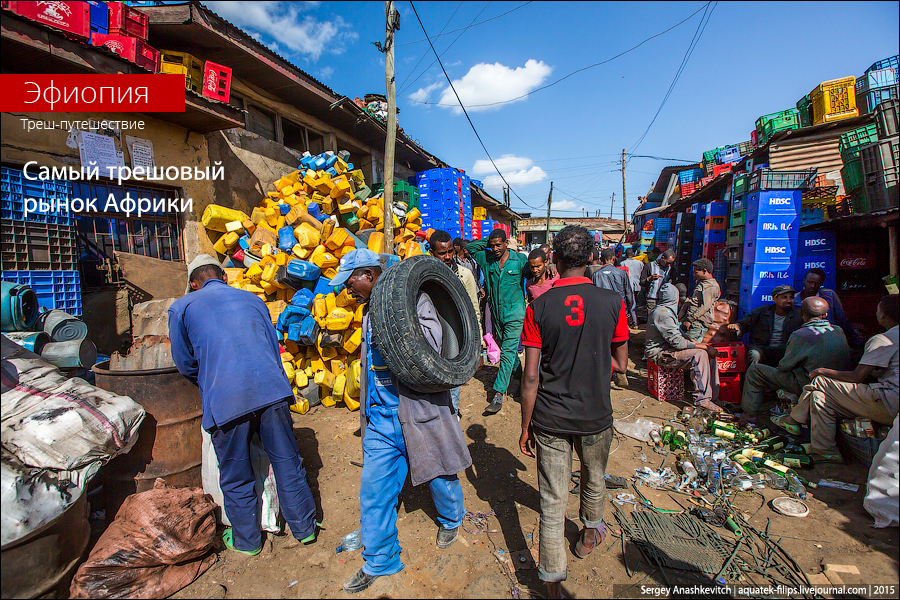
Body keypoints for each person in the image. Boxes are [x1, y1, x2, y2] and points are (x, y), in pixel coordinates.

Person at [330, 249, 471, 593]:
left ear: (368, 275)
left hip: (417, 408)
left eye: (351, 282)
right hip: (380, 414)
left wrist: (399, 332)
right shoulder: (366, 311)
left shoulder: (416, 300)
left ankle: (452, 518)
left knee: (439, 472)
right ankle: (381, 557)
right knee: (374, 488)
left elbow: (433, 344)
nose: (348, 290)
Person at [168, 255, 318, 556]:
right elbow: (271, 346)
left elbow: (184, 363)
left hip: (226, 399)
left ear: (193, 284)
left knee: (236, 474)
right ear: (224, 278)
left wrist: (213, 379)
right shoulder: (253, 300)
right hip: (271, 390)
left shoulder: (181, 307)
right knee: (287, 461)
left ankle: (247, 542)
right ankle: (305, 529)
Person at [519, 226, 629, 600]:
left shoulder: (538, 307)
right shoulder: (613, 301)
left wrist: (525, 425)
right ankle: (587, 537)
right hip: (596, 413)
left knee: (552, 499)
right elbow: (623, 362)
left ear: (555, 260)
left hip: (550, 416)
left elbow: (530, 376)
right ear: (591, 258)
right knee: (594, 477)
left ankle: (552, 581)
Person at [771, 295, 898, 464]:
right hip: (890, 402)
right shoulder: (839, 331)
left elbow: (857, 376)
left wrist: (823, 370)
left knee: (820, 381)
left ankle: (792, 420)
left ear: (882, 315)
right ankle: (825, 452)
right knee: (819, 397)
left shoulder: (882, 340)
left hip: (889, 401)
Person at [740, 297, 852, 425]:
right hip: (837, 383)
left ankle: (749, 415)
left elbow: (784, 366)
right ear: (825, 315)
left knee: (755, 371)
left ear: (801, 314)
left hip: (809, 382)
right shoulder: (838, 331)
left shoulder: (801, 335)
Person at [468, 229, 530, 415]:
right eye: (492, 245)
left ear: (506, 244)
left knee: (508, 351)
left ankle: (498, 393)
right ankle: (522, 378)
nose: (495, 248)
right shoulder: (487, 259)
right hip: (497, 315)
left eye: (498, 245)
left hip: (515, 314)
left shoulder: (519, 260)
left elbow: (536, 269)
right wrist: (488, 240)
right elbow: (470, 247)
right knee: (507, 351)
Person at [645, 283, 722, 413]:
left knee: (706, 352)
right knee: (699, 355)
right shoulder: (662, 313)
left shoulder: (666, 310)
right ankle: (702, 399)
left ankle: (712, 394)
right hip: (660, 354)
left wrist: (700, 345)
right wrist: (703, 346)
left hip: (669, 350)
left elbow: (680, 334)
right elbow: (678, 343)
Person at [431, 230, 482, 417]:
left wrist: (478, 348)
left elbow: (474, 310)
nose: (448, 257)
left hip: (456, 336)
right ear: (431, 253)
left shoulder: (465, 274)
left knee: (453, 382)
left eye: (450, 252)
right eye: (442, 253)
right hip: (432, 338)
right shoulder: (423, 275)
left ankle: (452, 415)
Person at [726, 285, 803, 367]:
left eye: (791, 298)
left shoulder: (798, 314)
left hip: (784, 350)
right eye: (784, 297)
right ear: (774, 299)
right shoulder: (762, 311)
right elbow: (745, 323)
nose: (788, 300)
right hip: (762, 348)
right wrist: (737, 327)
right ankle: (750, 378)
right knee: (754, 354)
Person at [796, 268, 865, 347]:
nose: (812, 286)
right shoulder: (795, 300)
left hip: (829, 340)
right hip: (805, 341)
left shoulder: (829, 296)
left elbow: (842, 320)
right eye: (810, 282)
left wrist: (857, 342)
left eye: (817, 283)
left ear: (822, 283)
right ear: (804, 281)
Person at [592, 247, 636, 328]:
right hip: (620, 310)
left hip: (603, 311)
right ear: (613, 258)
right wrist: (629, 309)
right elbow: (629, 294)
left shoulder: (596, 274)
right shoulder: (622, 273)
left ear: (601, 259)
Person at [679, 258, 720, 342]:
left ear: (705, 271)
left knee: (690, 346)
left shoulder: (711, 287)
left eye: (696, 272)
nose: (694, 275)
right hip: (691, 321)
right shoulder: (702, 284)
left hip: (697, 323)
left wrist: (690, 320)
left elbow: (704, 307)